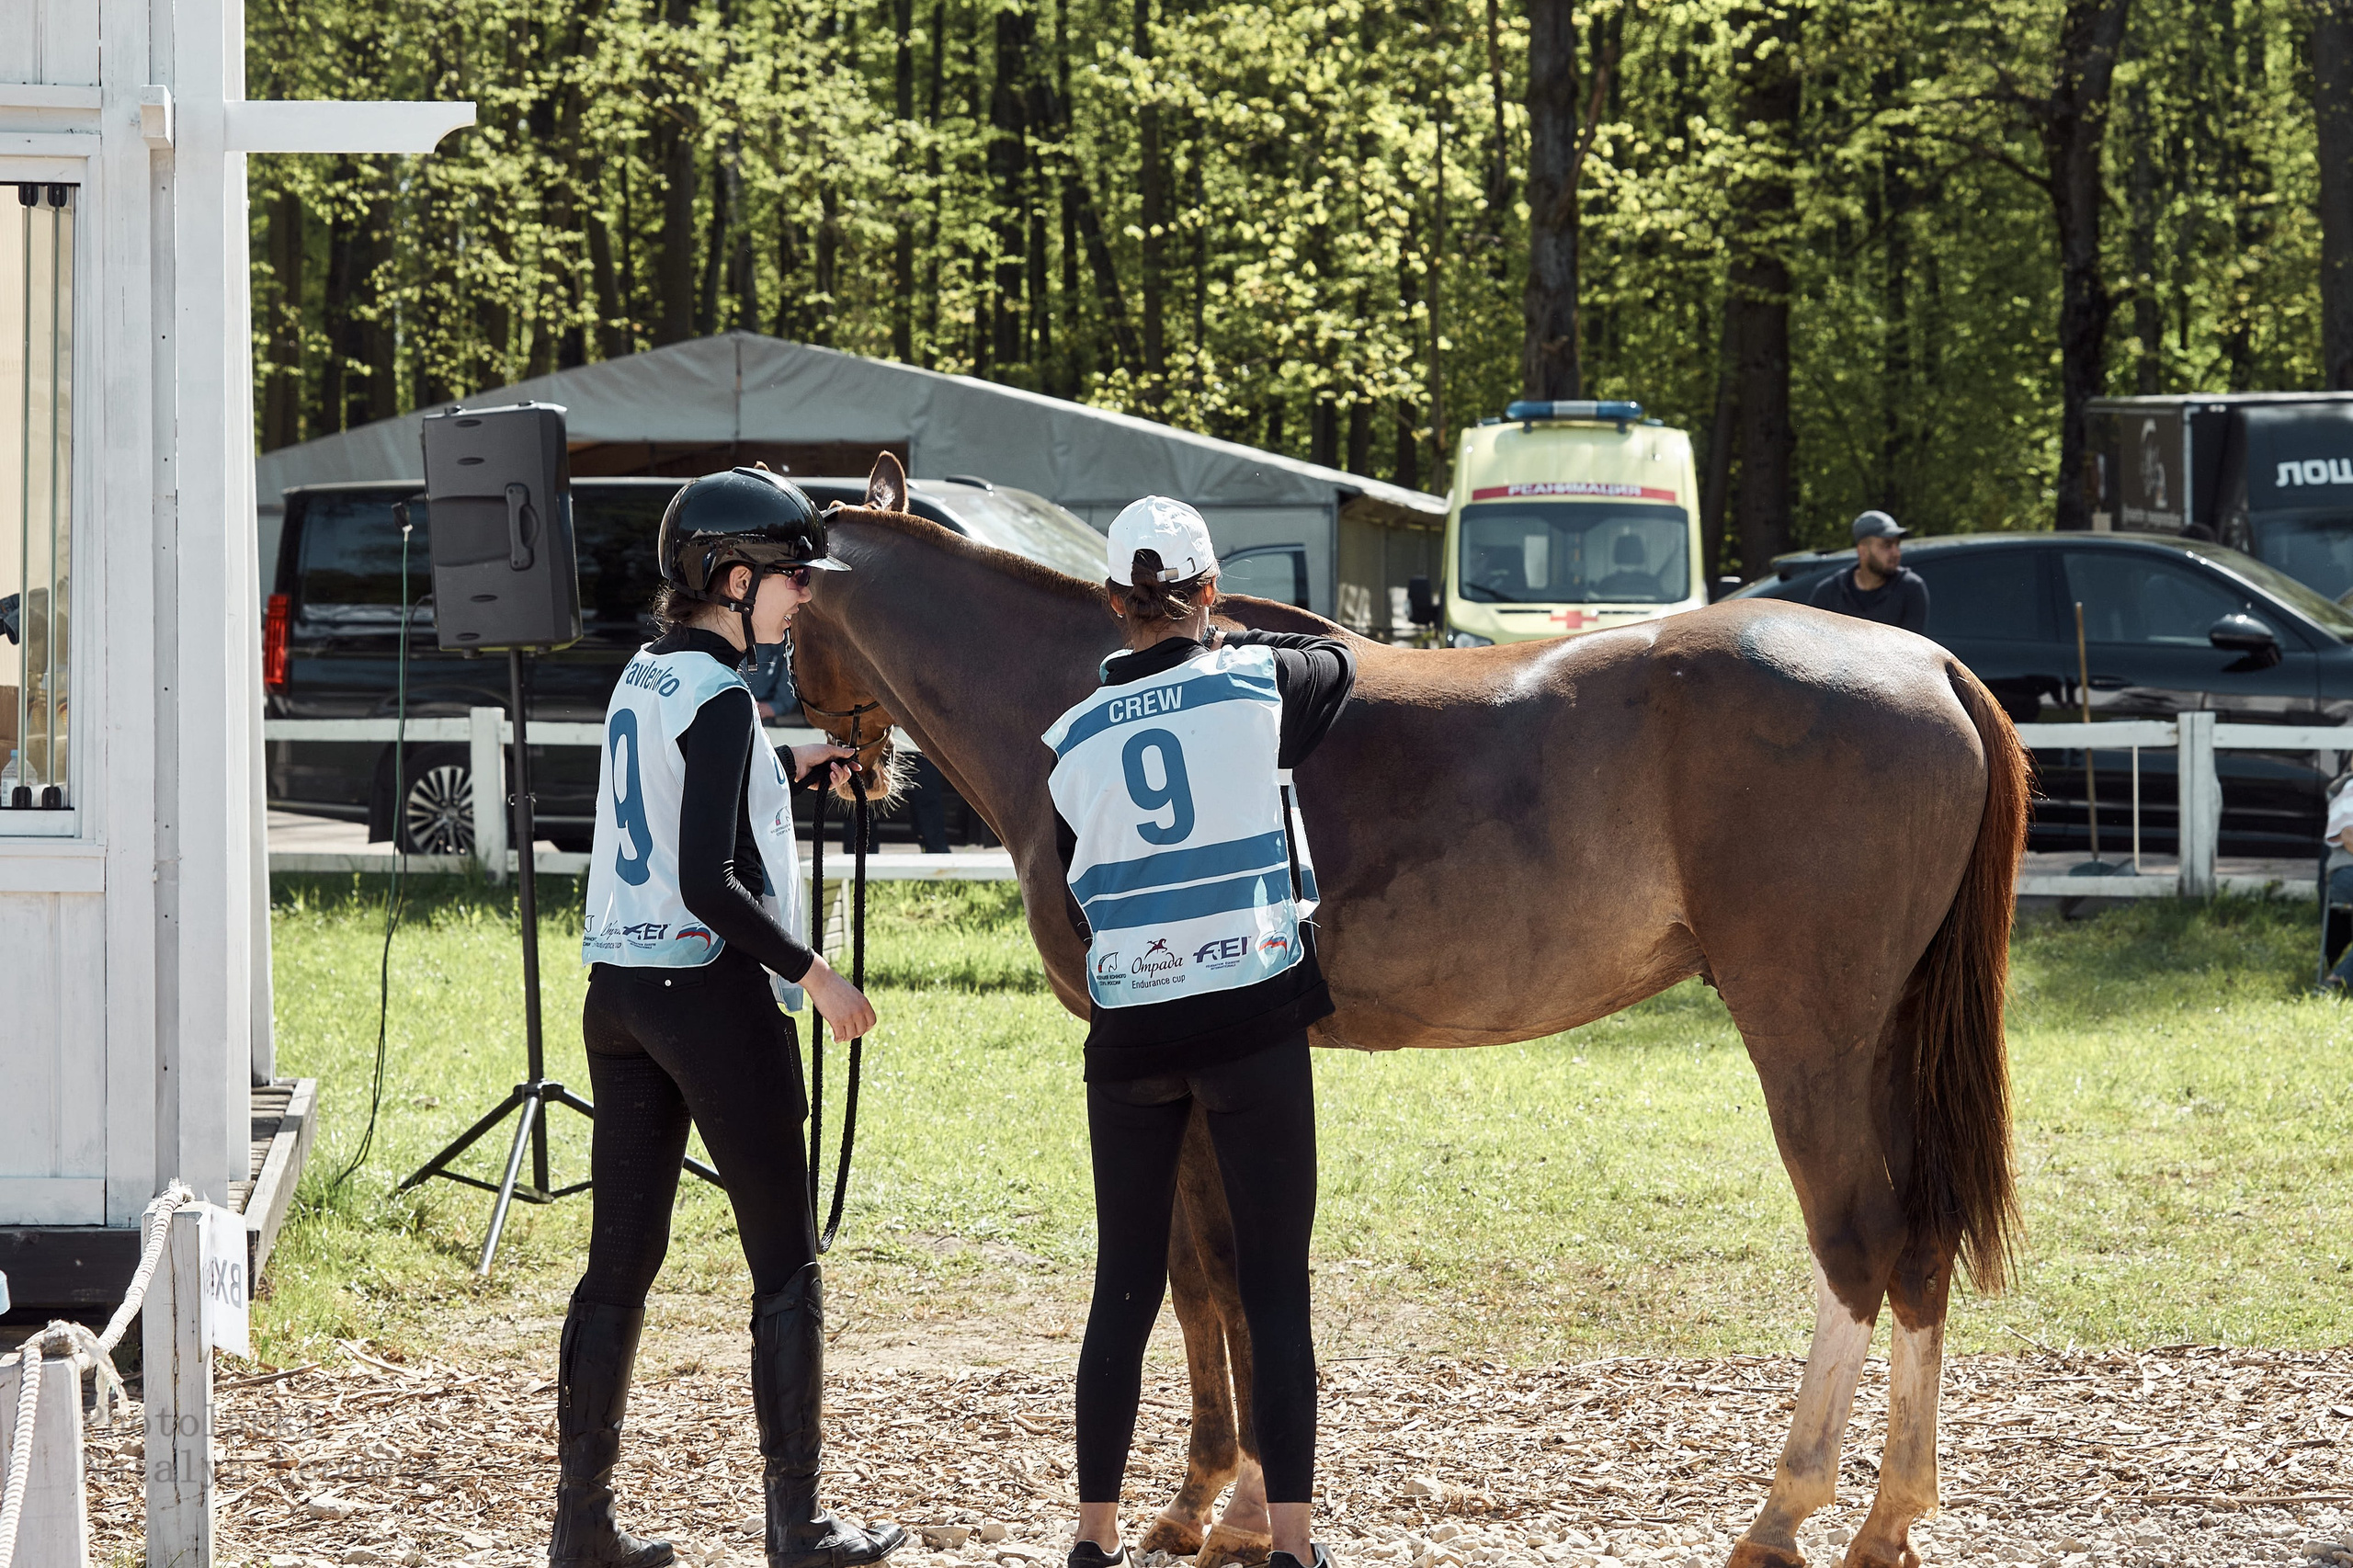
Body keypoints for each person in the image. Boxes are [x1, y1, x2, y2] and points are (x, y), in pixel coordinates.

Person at [556, 467, 905, 1568]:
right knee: (786, 1264)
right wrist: (816, 973)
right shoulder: (717, 698)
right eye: (793, 577)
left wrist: (803, 757)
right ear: (734, 575)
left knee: (620, 1263)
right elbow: (709, 880)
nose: (805, 596)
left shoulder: (652, 676)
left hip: (620, 994)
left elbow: (698, 785)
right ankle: (796, 1525)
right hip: (710, 993)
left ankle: (582, 1525)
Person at [1043, 497, 1354, 1568]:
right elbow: (1336, 666)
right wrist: (1230, 640)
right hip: (1250, 1011)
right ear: (1207, 594)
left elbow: (1075, 890)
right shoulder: (1258, 682)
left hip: (1129, 1030)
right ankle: (1295, 1544)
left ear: (1113, 604)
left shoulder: (1070, 734)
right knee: (1274, 1283)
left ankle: (1093, 1532)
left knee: (1122, 1284)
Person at [1809, 509, 1930, 632]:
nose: (1896, 553)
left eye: (1897, 545)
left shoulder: (1911, 589)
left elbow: (1911, 649)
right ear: (1863, 551)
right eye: (1887, 545)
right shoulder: (1829, 592)